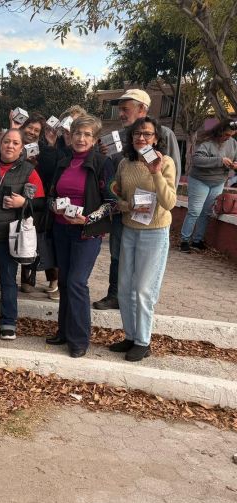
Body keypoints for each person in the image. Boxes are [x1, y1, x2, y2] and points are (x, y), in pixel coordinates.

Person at [93, 89, 181, 310]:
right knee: (117, 255)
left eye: (125, 109)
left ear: (142, 108)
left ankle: (137, 300)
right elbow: (117, 173)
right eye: (119, 109)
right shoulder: (120, 135)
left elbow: (171, 171)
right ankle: (116, 294)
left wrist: (160, 204)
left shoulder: (164, 133)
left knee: (143, 268)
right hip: (125, 209)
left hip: (152, 217)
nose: (121, 114)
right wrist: (104, 155)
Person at [46, 115, 116, 358]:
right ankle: (64, 332)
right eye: (77, 133)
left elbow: (112, 203)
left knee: (77, 282)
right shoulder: (63, 163)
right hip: (61, 230)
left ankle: (79, 339)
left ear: (94, 139)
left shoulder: (103, 163)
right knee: (65, 282)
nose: (81, 138)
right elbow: (52, 195)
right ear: (70, 135)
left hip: (86, 233)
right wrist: (54, 206)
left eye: (87, 134)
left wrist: (87, 219)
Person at [109, 117, 176, 361]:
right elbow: (117, 196)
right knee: (125, 288)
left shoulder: (165, 162)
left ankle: (143, 341)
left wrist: (155, 172)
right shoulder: (125, 163)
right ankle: (130, 335)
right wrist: (125, 203)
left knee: (144, 290)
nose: (141, 138)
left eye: (147, 134)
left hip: (154, 232)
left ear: (156, 139)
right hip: (129, 230)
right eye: (137, 133)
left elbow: (169, 202)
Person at [0, 128, 45, 340]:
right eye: (6, 142)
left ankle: (8, 322)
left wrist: (24, 202)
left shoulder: (28, 171)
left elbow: (41, 202)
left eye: (15, 143)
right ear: (0, 144)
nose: (10, 146)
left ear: (22, 148)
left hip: (8, 238)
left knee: (8, 282)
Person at [179, 119, 237, 252]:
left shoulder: (233, 143)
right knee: (195, 211)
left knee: (206, 212)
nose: (228, 138)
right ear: (220, 131)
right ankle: (184, 241)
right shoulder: (207, 142)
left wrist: (235, 165)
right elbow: (197, 160)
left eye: (231, 135)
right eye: (226, 135)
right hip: (200, 180)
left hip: (218, 182)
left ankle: (197, 240)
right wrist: (220, 161)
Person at [17, 114, 59, 296]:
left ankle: (53, 279)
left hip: (40, 199)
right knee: (23, 237)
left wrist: (38, 161)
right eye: (30, 128)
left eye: (36, 130)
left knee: (43, 240)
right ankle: (26, 279)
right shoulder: (14, 142)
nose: (32, 132)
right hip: (18, 196)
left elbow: (50, 171)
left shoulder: (43, 148)